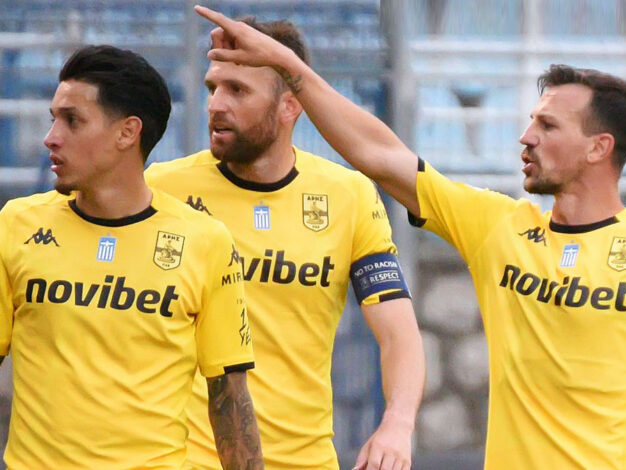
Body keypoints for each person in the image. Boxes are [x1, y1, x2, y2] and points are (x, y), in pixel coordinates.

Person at [193, 6, 626, 470]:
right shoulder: (498, 226)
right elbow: (378, 155)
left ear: (599, 147)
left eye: (547, 125)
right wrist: (289, 68)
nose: (525, 136)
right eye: (530, 120)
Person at [144, 17, 424, 470]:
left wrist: (397, 424)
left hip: (305, 459)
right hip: (191, 458)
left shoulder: (348, 196)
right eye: (213, 87)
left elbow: (398, 334)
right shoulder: (161, 189)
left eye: (237, 90)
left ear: (290, 106)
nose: (216, 104)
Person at [0, 45, 263, 469]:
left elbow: (230, 398)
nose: (51, 137)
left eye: (72, 120)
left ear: (127, 133)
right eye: (53, 119)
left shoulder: (205, 241)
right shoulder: (16, 225)